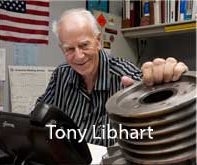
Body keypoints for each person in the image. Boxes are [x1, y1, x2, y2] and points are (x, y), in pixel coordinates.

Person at [36, 8, 188, 147]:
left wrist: (174, 83)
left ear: (98, 41)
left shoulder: (127, 76)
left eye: (84, 45)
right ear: (62, 49)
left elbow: (164, 122)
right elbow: (38, 119)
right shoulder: (61, 75)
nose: (79, 56)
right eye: (69, 49)